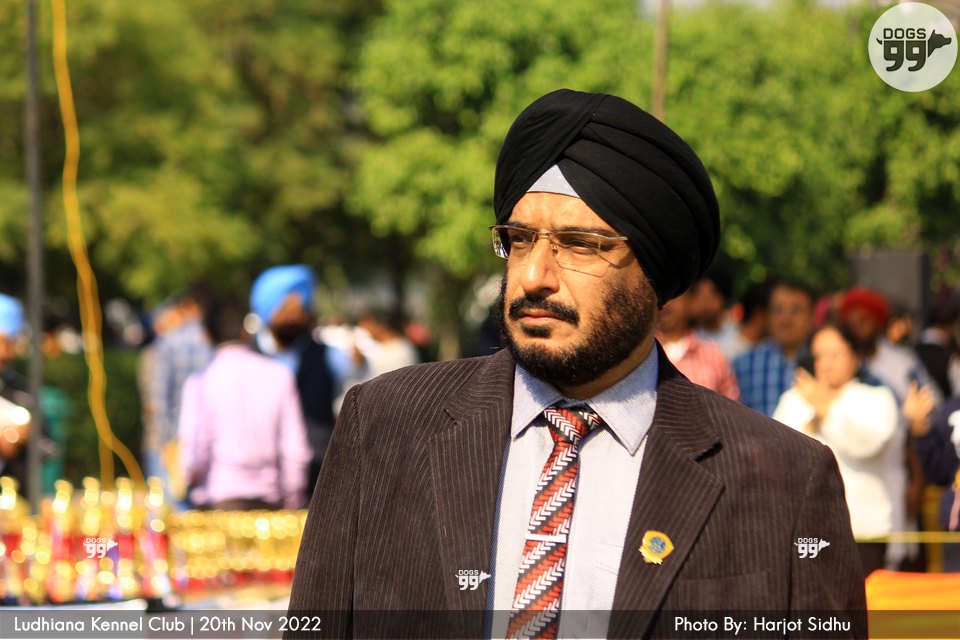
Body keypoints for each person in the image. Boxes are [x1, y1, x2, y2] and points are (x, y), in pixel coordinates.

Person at [286, 89, 865, 639]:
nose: (534, 276)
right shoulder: (385, 426)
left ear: (655, 272)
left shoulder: (782, 479)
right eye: (519, 239)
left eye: (580, 244)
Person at [773, 324, 900, 576]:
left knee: (861, 597)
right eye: (819, 355)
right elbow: (778, 451)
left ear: (856, 356)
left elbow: (868, 445)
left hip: (863, 526)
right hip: (806, 526)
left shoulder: (876, 398)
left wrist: (825, 409)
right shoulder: (794, 399)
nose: (826, 363)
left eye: (835, 354)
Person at [178, 298, 310, 510]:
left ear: (207, 335)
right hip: (271, 503)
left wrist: (190, 484)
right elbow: (295, 448)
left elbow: (195, 453)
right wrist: (292, 497)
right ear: (246, 331)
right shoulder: (279, 375)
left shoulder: (201, 383)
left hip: (219, 502)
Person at [250, 265, 358, 493]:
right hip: (259, 481)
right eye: (286, 308)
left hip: (317, 477)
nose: (295, 315)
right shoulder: (246, 358)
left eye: (300, 308)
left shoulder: (328, 356)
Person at [732, 280, 816, 416]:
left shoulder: (825, 362)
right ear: (768, 316)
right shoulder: (744, 365)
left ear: (812, 317)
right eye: (778, 310)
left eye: (796, 310)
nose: (786, 319)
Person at [657, 289, 739, 400]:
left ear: (692, 304)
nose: (667, 304)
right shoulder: (645, 352)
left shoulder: (713, 355)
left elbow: (731, 404)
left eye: (674, 297)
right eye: (663, 297)